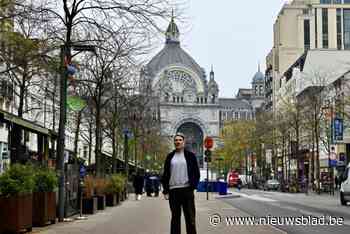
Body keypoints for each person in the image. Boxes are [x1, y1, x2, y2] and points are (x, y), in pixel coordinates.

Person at [161, 132, 200, 234]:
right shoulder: (170, 157)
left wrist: (193, 187)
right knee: (175, 219)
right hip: (173, 191)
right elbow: (165, 174)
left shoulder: (191, 156)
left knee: (190, 219)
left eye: (180, 140)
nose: (177, 142)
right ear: (174, 142)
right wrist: (165, 190)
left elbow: (196, 173)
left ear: (184, 142)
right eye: (176, 140)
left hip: (187, 190)